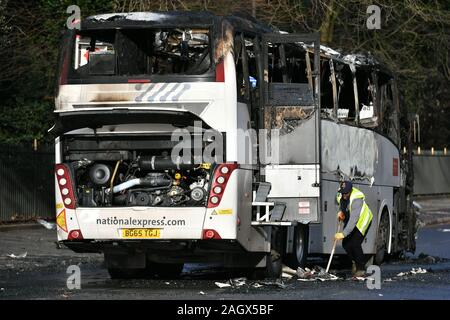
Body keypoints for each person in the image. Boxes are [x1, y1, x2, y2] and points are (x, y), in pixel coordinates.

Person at [334, 181, 373, 277]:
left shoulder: (357, 199)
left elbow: (353, 220)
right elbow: (341, 204)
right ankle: (355, 262)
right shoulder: (341, 195)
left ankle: (361, 269)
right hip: (352, 219)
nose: (344, 195)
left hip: (362, 221)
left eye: (346, 193)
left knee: (355, 243)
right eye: (343, 193)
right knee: (346, 244)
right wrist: (340, 212)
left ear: (351, 191)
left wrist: (343, 233)